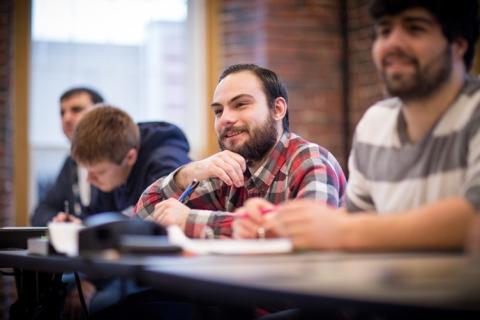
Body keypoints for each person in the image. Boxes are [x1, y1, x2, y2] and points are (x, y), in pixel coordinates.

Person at [242, 0, 480, 251]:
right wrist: (282, 225)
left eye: (415, 28)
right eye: (385, 31)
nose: (392, 44)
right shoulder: (375, 124)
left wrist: (342, 231)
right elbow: (359, 220)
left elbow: (475, 219)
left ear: (458, 45)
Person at [135, 63, 346, 238]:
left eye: (241, 104)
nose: (225, 118)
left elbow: (307, 234)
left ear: (278, 109)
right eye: (218, 111)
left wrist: (189, 220)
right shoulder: (229, 171)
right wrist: (191, 172)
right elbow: (144, 212)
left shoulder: (310, 160)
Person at [54, 105, 191, 318]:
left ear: (130, 157)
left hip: (164, 271)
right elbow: (99, 220)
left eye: (98, 172)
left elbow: (157, 228)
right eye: (87, 172)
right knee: (60, 288)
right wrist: (81, 227)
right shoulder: (109, 168)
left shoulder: (165, 161)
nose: (90, 180)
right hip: (123, 264)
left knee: (90, 305)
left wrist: (93, 281)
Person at [31, 87, 104, 226]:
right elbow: (41, 212)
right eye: (62, 112)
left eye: (76, 109)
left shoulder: (118, 157)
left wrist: (83, 225)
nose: (66, 118)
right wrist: (60, 219)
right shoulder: (71, 162)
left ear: (101, 113)